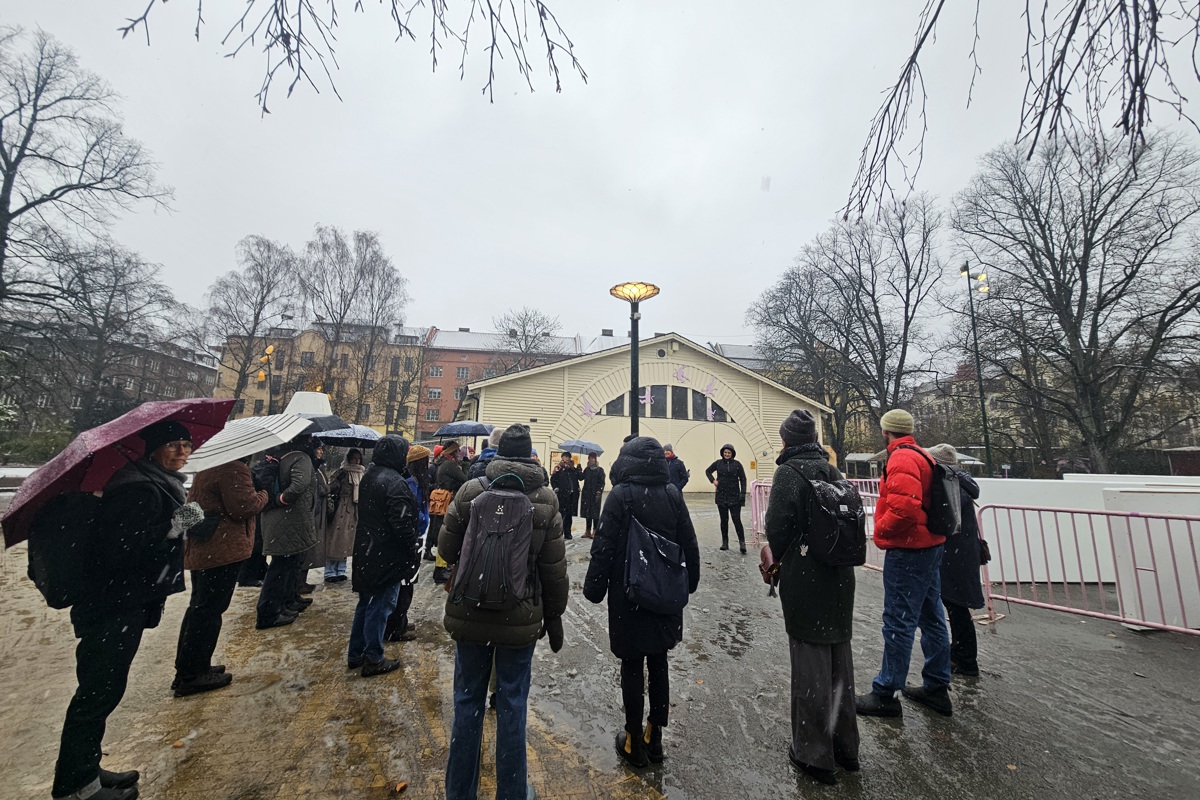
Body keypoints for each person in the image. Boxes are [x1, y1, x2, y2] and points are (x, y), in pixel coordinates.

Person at [53, 420, 197, 800]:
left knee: (104, 690)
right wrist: (177, 525)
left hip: (122, 601)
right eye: (174, 445)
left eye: (187, 445)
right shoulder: (137, 488)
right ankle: (75, 787)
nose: (183, 452)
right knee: (96, 694)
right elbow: (121, 550)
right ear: (153, 449)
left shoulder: (152, 482)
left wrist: (180, 523)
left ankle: (87, 768)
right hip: (112, 604)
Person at [440, 424, 568, 800]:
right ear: (531, 455)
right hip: (519, 615)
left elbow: (446, 547)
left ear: (497, 454)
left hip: (470, 611)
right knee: (512, 703)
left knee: (467, 703)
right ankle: (511, 791)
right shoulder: (545, 499)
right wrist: (555, 616)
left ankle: (459, 792)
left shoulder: (471, 490)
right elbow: (554, 569)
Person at [583, 436, 700, 769]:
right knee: (659, 662)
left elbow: (603, 546)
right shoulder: (673, 495)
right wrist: (690, 581)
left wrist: (594, 587)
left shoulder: (621, 495)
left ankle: (633, 740)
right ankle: (655, 736)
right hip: (664, 593)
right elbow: (689, 542)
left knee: (632, 665)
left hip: (629, 593)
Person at [765, 410, 859, 785]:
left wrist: (777, 557)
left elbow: (777, 529)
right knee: (840, 665)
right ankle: (846, 747)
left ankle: (814, 754)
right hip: (840, 576)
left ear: (787, 438)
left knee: (810, 664)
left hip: (807, 577)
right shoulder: (833, 471)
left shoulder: (789, 473)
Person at [856, 409, 953, 718]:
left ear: (887, 432)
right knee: (931, 616)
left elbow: (903, 509)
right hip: (929, 546)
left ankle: (886, 692)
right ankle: (937, 687)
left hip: (909, 550)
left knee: (898, 621)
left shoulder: (900, 459)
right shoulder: (923, 455)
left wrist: (880, 532)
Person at [173, 456, 269, 697]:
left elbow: (191, 506)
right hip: (221, 549)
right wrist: (264, 494)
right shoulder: (233, 468)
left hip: (204, 547)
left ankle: (188, 667)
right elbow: (244, 508)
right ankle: (194, 674)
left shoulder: (208, 465)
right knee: (209, 611)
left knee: (199, 607)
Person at [347, 435, 422, 676]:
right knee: (380, 606)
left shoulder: (370, 475)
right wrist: (411, 547)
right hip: (385, 554)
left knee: (365, 603)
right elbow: (401, 524)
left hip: (367, 548)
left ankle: (356, 653)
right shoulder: (394, 482)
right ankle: (373, 657)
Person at [927, 443, 985, 678]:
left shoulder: (952, 487)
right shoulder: (961, 483)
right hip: (960, 553)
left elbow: (946, 519)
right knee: (957, 607)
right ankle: (960, 654)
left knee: (957, 608)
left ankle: (966, 660)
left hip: (955, 554)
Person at [256, 436, 320, 629]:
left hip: (280, 520)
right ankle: (269, 613)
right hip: (289, 520)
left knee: (288, 564)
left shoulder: (279, 455)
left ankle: (287, 602)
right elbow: (299, 485)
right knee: (281, 567)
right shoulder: (300, 458)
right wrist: (282, 499)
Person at [383, 444, 431, 641]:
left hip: (416, 536)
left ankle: (400, 621)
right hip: (412, 537)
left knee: (408, 583)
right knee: (406, 583)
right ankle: (396, 627)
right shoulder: (411, 483)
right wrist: (423, 520)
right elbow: (410, 510)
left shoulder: (416, 482)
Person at [325, 448, 365, 583]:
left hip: (354, 510)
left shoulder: (361, 473)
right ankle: (330, 571)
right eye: (354, 458)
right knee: (336, 539)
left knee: (347, 541)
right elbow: (332, 486)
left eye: (359, 458)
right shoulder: (342, 473)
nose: (357, 461)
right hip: (341, 508)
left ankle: (341, 569)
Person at [426, 440, 467, 561]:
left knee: (436, 525)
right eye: (458, 450)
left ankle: (430, 550)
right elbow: (464, 478)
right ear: (453, 451)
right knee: (443, 528)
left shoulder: (442, 462)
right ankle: (441, 562)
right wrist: (465, 464)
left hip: (440, 498)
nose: (459, 452)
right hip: (447, 499)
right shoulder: (450, 464)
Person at [704, 444, 748, 553]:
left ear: (732, 454)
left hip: (734, 497)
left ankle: (742, 543)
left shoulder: (737, 465)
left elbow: (743, 479)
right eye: (725, 452)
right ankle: (725, 542)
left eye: (729, 453)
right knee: (724, 520)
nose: (727, 454)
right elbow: (708, 471)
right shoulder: (718, 463)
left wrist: (742, 494)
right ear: (723, 453)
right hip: (721, 496)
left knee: (736, 520)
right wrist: (713, 480)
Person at [551, 451, 583, 539]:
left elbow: (580, 477)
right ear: (562, 459)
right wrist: (555, 487)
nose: (566, 461)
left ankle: (568, 532)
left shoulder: (573, 469)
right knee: (561, 514)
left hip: (572, 496)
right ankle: (559, 532)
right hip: (562, 495)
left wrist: (579, 469)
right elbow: (553, 479)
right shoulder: (558, 469)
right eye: (564, 459)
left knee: (569, 515)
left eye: (568, 459)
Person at [579, 453, 605, 538]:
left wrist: (599, 491)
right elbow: (581, 478)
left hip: (595, 494)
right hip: (587, 494)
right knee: (588, 513)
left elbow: (602, 482)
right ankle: (587, 531)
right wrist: (579, 470)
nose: (591, 460)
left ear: (596, 459)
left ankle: (595, 530)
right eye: (590, 458)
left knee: (595, 513)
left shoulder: (600, 470)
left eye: (593, 458)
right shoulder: (587, 469)